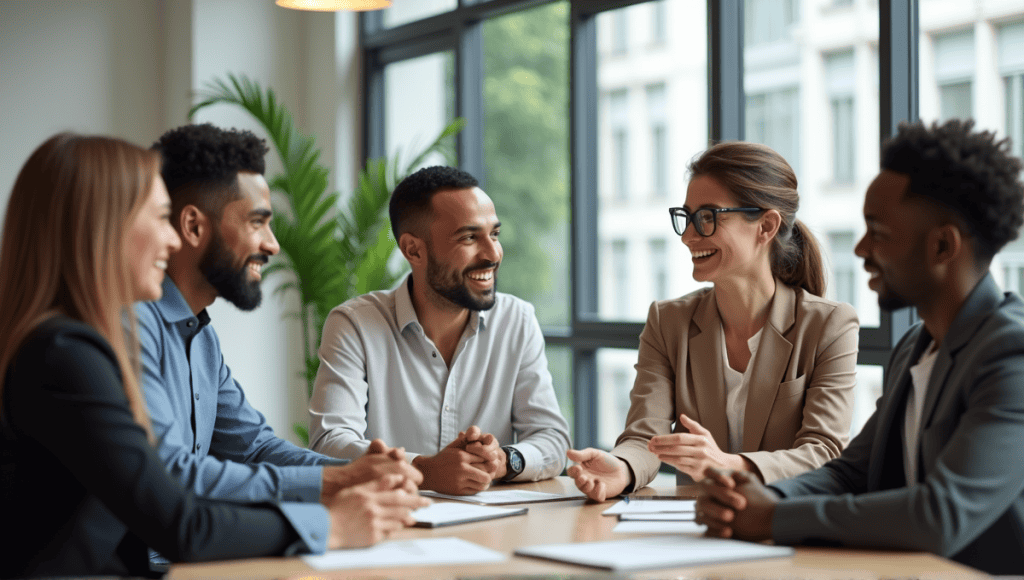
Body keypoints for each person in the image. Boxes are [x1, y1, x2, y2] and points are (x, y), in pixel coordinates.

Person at [0, 133, 428, 578]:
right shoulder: (68, 354)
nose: (170, 240)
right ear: (104, 228)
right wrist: (333, 522)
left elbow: (247, 449)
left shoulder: (119, 340)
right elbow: (179, 513)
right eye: (160, 218)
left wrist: (355, 474)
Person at [695, 120, 1024, 576]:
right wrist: (757, 497)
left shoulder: (1012, 355)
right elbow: (851, 473)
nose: (861, 249)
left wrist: (773, 517)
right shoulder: (916, 346)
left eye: (880, 233)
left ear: (943, 246)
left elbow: (942, 514)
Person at [138, 124, 422, 540]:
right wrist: (336, 486)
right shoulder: (131, 326)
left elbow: (254, 447)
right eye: (258, 222)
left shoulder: (200, 336)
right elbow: (171, 473)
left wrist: (357, 471)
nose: (272, 245)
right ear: (194, 227)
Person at [567, 142, 859, 501]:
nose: (689, 236)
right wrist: (623, 469)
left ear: (765, 226)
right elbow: (646, 436)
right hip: (698, 531)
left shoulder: (830, 326)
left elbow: (823, 451)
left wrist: (728, 464)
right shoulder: (668, 321)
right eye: (687, 217)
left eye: (707, 217)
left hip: (783, 530)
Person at [308, 165, 572, 495]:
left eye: (494, 234)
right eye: (469, 238)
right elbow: (330, 444)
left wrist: (505, 460)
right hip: (392, 523)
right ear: (413, 250)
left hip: (492, 527)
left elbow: (553, 438)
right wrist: (424, 470)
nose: (492, 254)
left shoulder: (517, 320)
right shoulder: (355, 325)